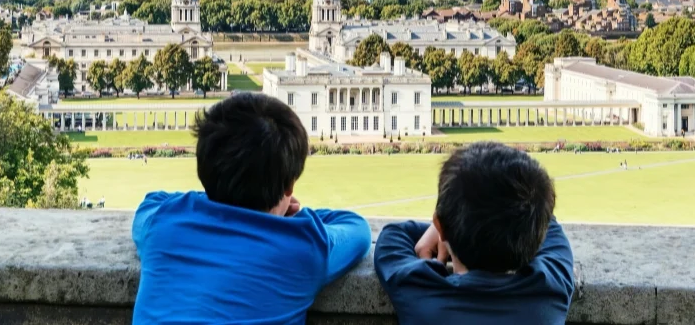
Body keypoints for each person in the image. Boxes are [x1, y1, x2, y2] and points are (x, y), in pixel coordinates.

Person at [131, 93, 371, 324]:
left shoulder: (164, 224)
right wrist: (294, 218)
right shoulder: (301, 245)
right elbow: (357, 230)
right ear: (289, 186)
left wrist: (212, 195)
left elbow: (151, 203)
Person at [374, 142, 574, 325]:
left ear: (440, 226)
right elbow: (547, 222)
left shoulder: (421, 293)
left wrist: (448, 226)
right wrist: (448, 225)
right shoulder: (550, 290)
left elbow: (392, 236)